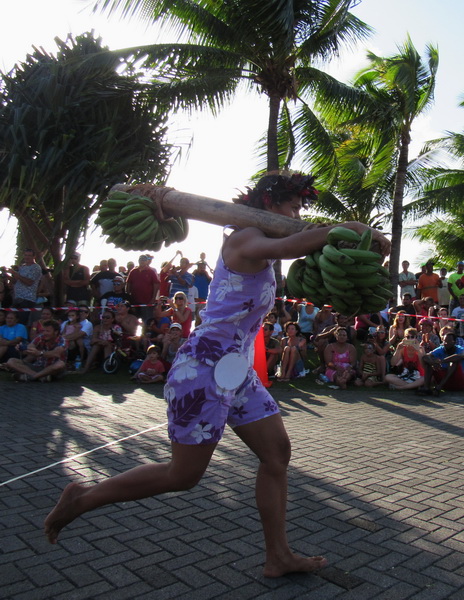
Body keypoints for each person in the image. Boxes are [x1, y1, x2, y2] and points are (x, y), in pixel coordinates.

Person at [44, 171, 390, 577]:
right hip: (204, 367)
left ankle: (277, 556)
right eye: (294, 206)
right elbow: (295, 244)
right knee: (182, 475)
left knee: (276, 454)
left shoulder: (259, 246)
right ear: (270, 203)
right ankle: (82, 498)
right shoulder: (244, 239)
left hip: (236, 371)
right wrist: (348, 228)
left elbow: (295, 246)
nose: (299, 213)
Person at [418, 330, 464, 396]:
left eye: (448, 341)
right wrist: (433, 363)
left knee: (454, 362)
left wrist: (442, 361)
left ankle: (439, 387)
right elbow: (425, 357)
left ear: (454, 342)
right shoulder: (441, 349)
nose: (445, 343)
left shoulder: (460, 349)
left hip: (458, 382)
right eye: (444, 341)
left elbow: (460, 356)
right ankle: (426, 388)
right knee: (429, 363)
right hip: (445, 381)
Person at [8, 248, 43, 324]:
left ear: (34, 256)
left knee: (22, 321)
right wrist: (7, 275)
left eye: (29, 255)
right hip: (17, 297)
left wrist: (15, 273)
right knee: (12, 320)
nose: (27, 257)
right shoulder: (22, 267)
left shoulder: (36, 267)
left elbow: (29, 282)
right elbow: (16, 281)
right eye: (25, 255)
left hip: (27, 299)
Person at [126, 255, 160, 323]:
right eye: (141, 260)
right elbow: (128, 283)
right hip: (134, 301)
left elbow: (156, 284)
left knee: (147, 321)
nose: (142, 261)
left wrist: (153, 298)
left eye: (144, 260)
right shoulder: (133, 271)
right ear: (138, 261)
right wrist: (128, 296)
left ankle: (147, 333)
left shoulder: (151, 271)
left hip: (147, 301)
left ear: (147, 261)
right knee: (134, 320)